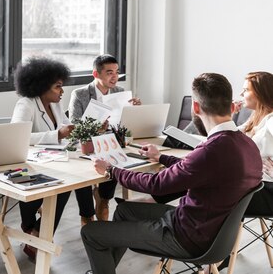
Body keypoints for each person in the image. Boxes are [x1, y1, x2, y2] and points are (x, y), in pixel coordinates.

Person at [80, 72, 262, 274]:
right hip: (210, 232)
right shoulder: (247, 144)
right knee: (125, 211)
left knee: (90, 233)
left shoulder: (211, 150)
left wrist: (111, 170)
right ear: (231, 107)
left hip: (186, 237)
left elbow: (156, 184)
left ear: (195, 107)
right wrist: (162, 157)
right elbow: (198, 169)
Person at [10, 57, 78, 260]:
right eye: (58, 87)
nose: (62, 91)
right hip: (24, 167)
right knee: (49, 186)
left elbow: (66, 129)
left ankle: (37, 232)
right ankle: (31, 226)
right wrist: (57, 134)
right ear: (41, 86)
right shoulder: (26, 104)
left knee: (66, 186)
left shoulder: (56, 105)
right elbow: (16, 137)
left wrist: (78, 131)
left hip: (50, 163)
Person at [68, 54, 139, 221]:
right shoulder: (80, 94)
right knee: (81, 170)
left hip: (109, 143)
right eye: (109, 72)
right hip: (86, 145)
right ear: (96, 74)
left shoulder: (120, 92)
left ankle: (104, 200)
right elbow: (74, 127)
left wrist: (134, 111)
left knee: (115, 157)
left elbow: (124, 125)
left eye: (117, 72)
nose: (115, 77)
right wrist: (95, 128)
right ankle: (86, 214)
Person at [239, 71, 273, 215]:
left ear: (260, 93)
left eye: (246, 90)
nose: (241, 94)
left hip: (266, 192)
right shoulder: (256, 119)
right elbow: (227, 137)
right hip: (256, 186)